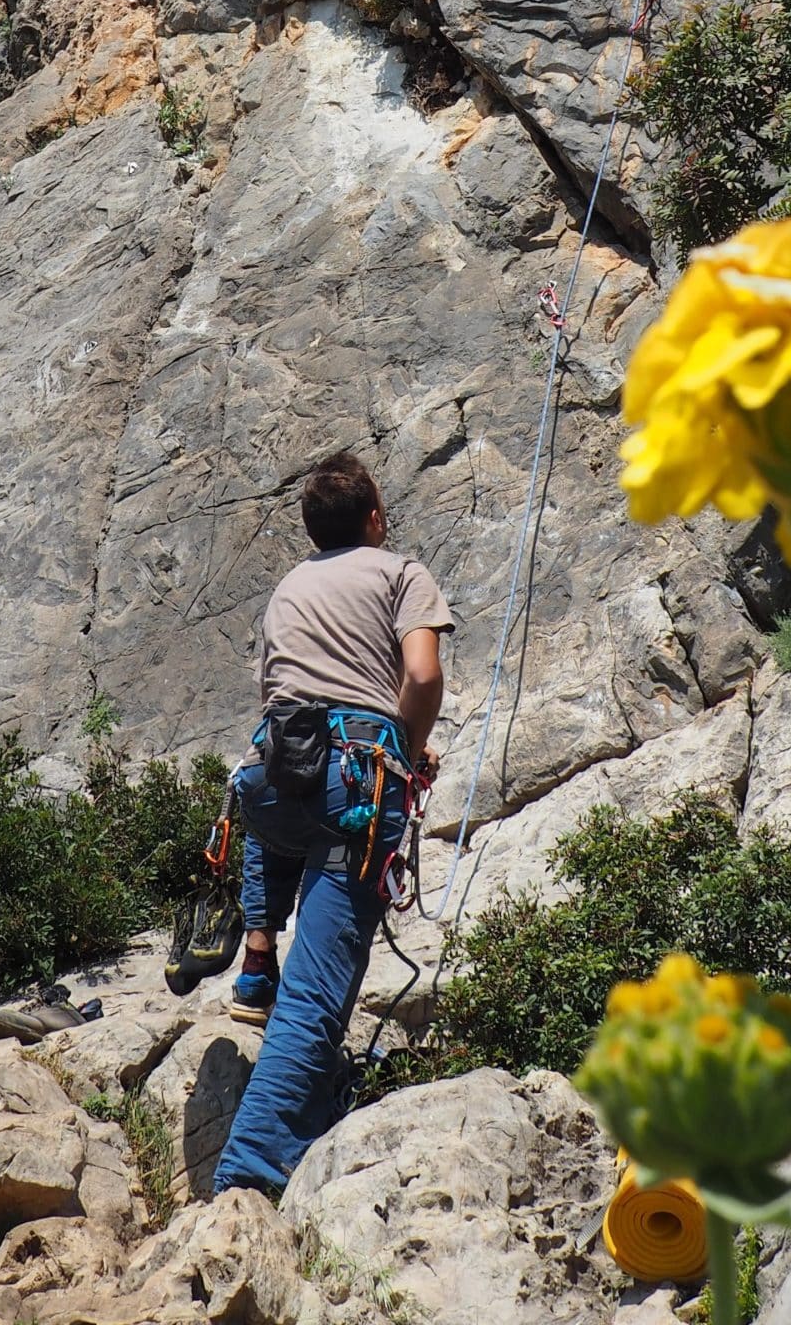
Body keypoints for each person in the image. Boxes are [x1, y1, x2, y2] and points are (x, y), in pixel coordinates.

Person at [211, 453, 454, 1195]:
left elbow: (291, 700)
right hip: (356, 781)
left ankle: (257, 956)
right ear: (375, 518)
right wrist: (406, 758)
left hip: (269, 776)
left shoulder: (289, 588)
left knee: (283, 826)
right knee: (317, 992)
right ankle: (252, 1174)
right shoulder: (399, 571)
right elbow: (421, 676)